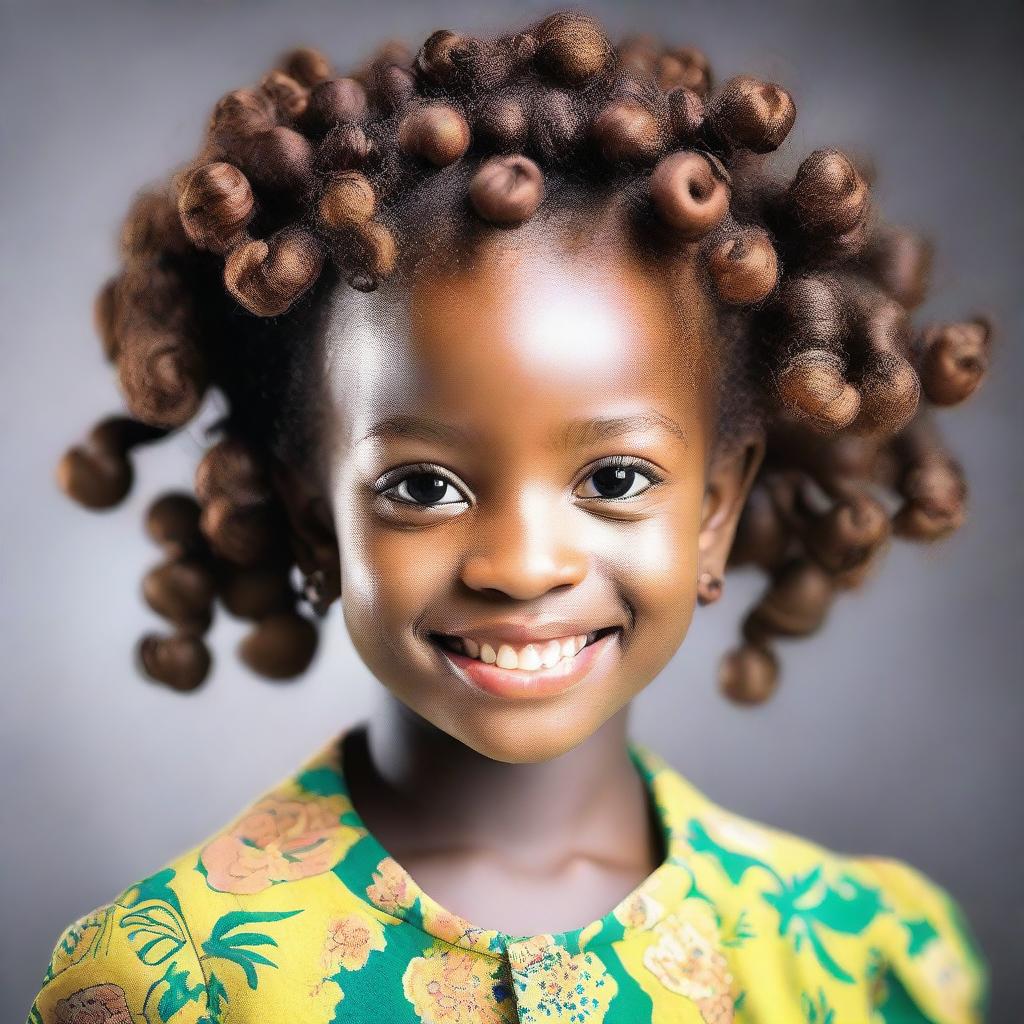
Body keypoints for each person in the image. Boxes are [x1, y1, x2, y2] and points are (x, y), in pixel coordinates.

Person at [29, 11, 992, 1023]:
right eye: (422, 487)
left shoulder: (865, 960)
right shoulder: (168, 984)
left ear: (713, 509)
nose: (522, 566)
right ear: (316, 522)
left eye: (614, 480)